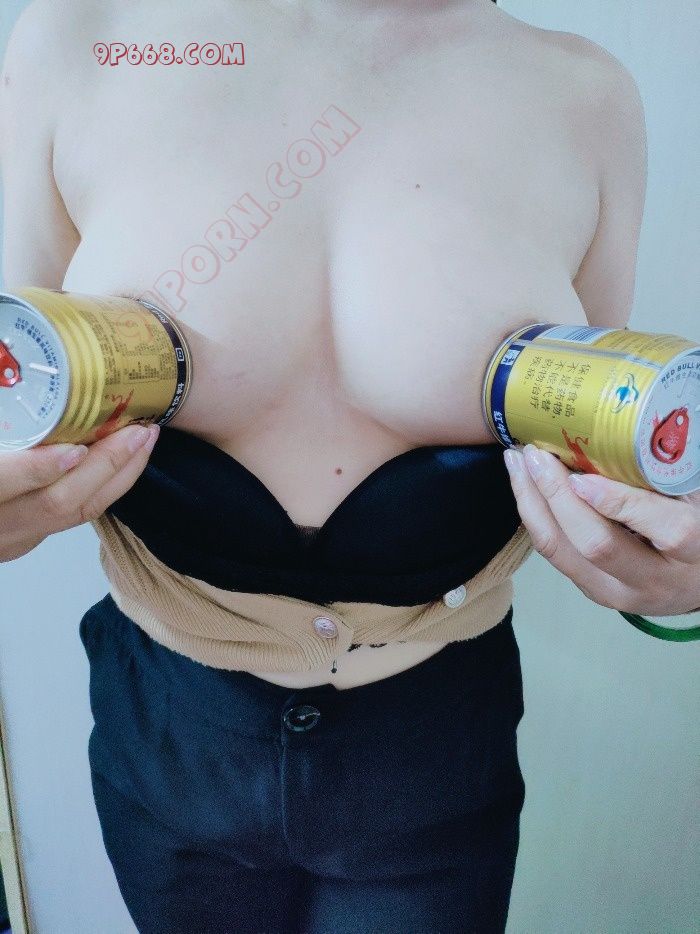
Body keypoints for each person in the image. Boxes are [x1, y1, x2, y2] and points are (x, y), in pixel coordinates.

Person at [1, 1, 698, 931]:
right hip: (168, 739)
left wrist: (677, 572)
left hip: (438, 760)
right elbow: (19, 399)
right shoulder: (75, 36)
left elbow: (614, 461)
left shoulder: (587, 94)